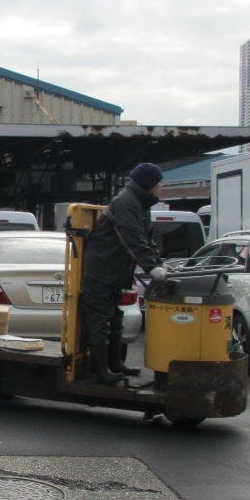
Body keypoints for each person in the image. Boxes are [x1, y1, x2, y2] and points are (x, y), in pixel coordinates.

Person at [80, 162, 167, 384]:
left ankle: (115, 363)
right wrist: (152, 268)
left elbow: (146, 239)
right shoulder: (126, 203)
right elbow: (132, 238)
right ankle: (101, 371)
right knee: (100, 321)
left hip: (113, 272)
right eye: (158, 183)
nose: (161, 187)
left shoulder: (141, 204)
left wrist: (160, 264)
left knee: (115, 318)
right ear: (147, 184)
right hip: (100, 270)